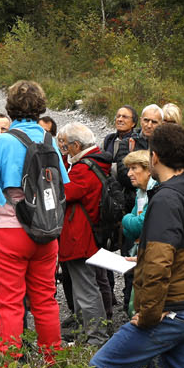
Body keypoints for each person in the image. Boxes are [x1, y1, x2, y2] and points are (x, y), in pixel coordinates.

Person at [90, 122, 184, 368]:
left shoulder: (167, 198)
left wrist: (147, 314)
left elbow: (160, 265)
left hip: (170, 308)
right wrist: (143, 256)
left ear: (154, 157)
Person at [0, 81, 63, 361]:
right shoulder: (49, 141)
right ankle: (55, 366)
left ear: (9, 107)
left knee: (10, 304)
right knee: (46, 302)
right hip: (45, 229)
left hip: (9, 230)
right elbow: (64, 183)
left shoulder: (1, 141)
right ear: (41, 106)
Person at [56, 121, 111, 346]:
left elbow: (64, 193)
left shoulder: (83, 169)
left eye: (66, 147)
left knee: (86, 290)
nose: (65, 151)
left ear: (76, 146)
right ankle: (86, 330)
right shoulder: (97, 162)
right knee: (86, 288)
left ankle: (96, 337)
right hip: (88, 238)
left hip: (80, 240)